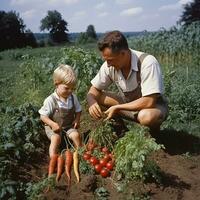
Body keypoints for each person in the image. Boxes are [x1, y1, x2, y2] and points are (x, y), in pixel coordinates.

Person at [87, 30, 168, 136]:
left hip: (153, 108)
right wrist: (92, 102)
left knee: (147, 117)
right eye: (106, 60)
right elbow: (93, 90)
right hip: (127, 106)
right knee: (97, 97)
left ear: (123, 53)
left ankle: (154, 135)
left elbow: (149, 102)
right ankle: (120, 130)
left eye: (110, 60)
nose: (108, 64)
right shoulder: (110, 65)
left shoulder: (147, 63)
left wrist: (118, 107)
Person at [39, 64, 82, 158]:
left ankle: (79, 152)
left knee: (76, 135)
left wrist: (77, 119)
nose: (70, 91)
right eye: (67, 88)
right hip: (53, 128)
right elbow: (43, 116)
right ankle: (54, 157)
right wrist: (52, 124)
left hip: (68, 126)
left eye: (73, 89)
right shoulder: (50, 100)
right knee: (56, 139)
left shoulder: (73, 98)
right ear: (56, 84)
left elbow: (79, 110)